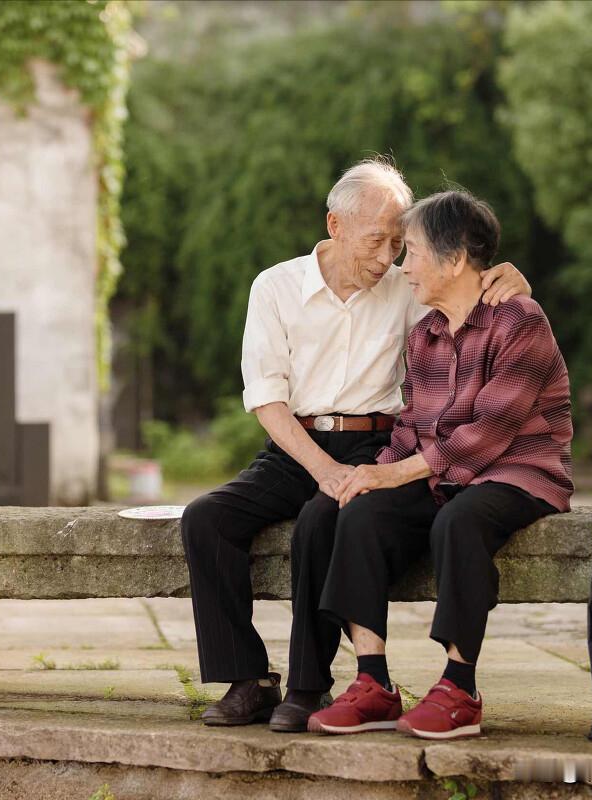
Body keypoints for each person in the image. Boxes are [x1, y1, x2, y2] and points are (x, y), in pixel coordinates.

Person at [180, 160, 532, 733]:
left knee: (324, 519)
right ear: (335, 225)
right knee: (206, 518)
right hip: (296, 444)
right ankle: (247, 679)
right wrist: (319, 466)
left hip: (379, 443)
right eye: (376, 240)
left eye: (399, 243)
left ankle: (307, 686)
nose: (387, 257)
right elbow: (267, 397)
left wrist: (511, 279)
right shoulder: (276, 286)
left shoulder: (410, 287)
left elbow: (474, 310)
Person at [306, 188, 573, 739]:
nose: (403, 268)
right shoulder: (425, 335)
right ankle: (373, 682)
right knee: (361, 511)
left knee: (461, 519)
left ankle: (459, 686)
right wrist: (369, 477)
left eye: (414, 253)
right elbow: (410, 429)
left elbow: (488, 435)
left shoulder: (520, 320)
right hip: (444, 475)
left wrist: (395, 472)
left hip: (520, 471)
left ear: (454, 260)